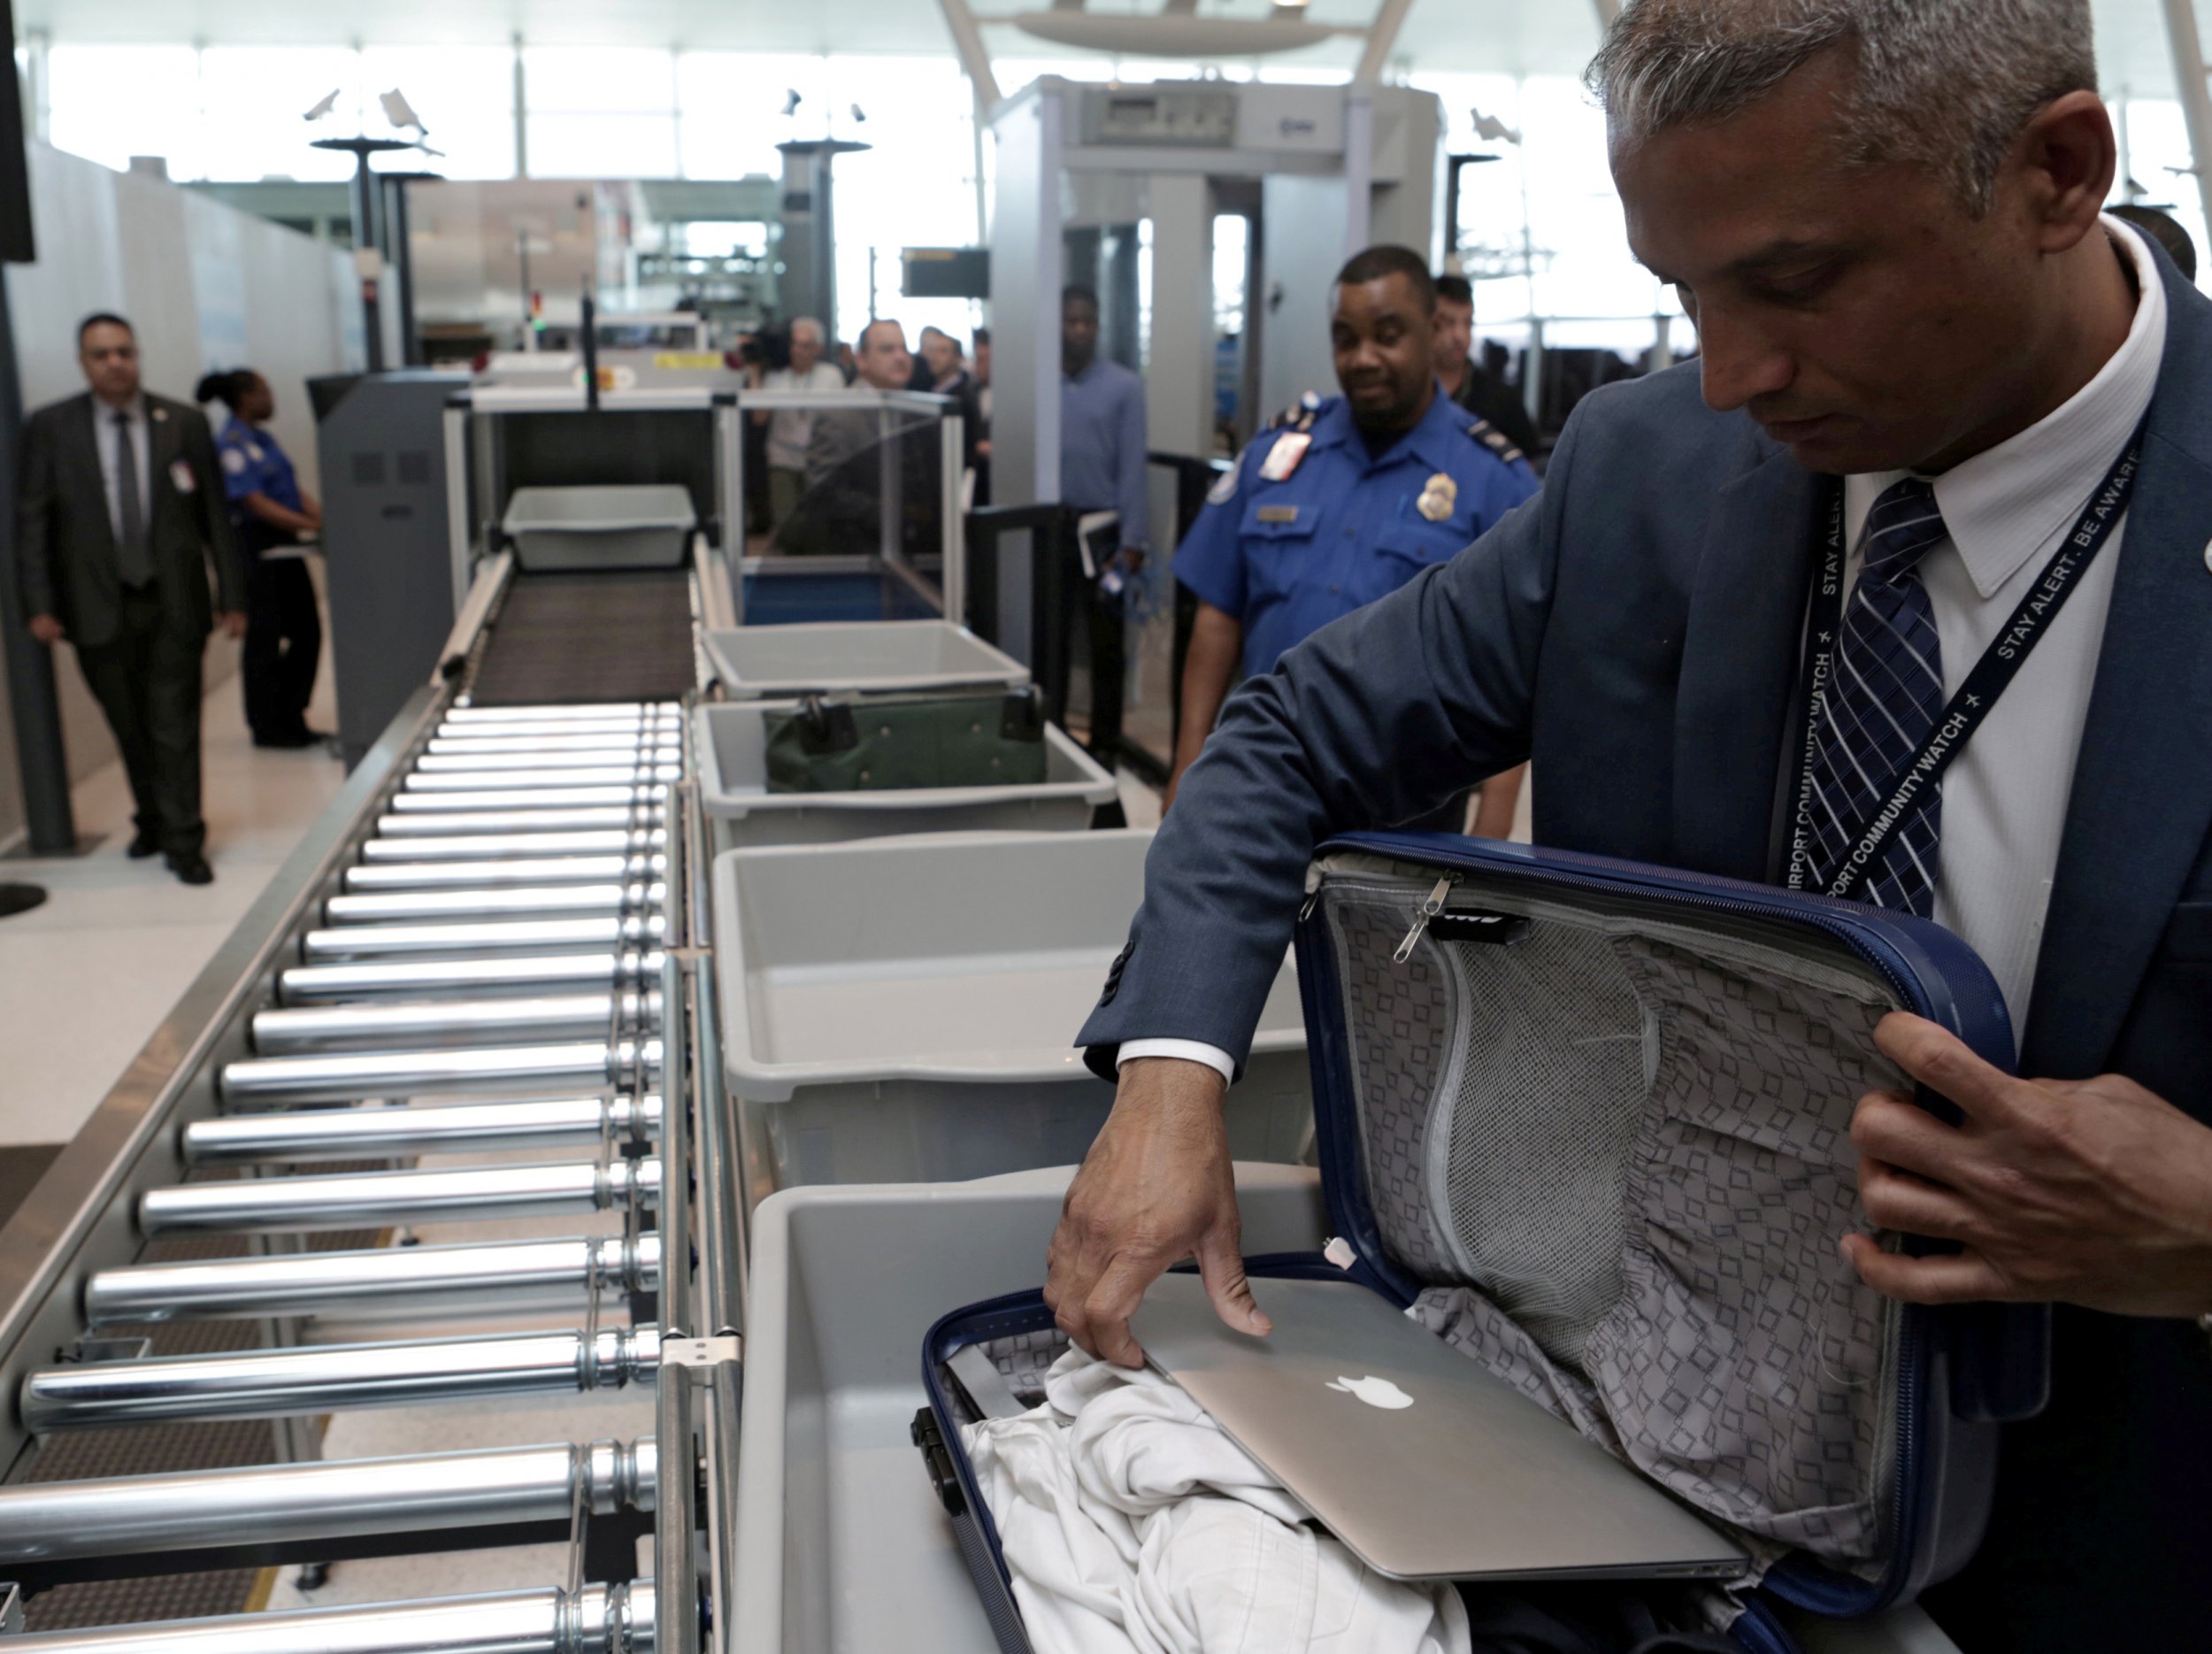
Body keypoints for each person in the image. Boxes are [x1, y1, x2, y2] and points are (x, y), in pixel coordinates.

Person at [1045, 4, 2212, 1649]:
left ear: (2055, 172)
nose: (1733, 372)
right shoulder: (1651, 472)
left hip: (2119, 1541)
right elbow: (1290, 735)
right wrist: (1175, 1072)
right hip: (1651, 1489)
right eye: (1684, 293)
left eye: (1795, 286)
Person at [1165, 246, 1540, 829]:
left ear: (1432, 329)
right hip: (1261, 787)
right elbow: (1218, 616)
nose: (1363, 358)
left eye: (1388, 335)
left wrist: (1490, 833)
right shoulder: (1276, 457)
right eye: (1346, 338)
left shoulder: (1495, 482)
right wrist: (1187, 766)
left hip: (1410, 810)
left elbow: (1514, 671)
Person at [17, 314, 243, 885]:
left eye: (124, 351)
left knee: (174, 723)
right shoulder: (52, 427)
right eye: (101, 354)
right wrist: (38, 604)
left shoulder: (182, 423)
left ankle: (185, 839)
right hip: (95, 605)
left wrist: (231, 594)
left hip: (173, 601)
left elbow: (215, 515)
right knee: (129, 724)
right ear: (83, 362)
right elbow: (32, 522)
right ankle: (152, 818)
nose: (115, 363)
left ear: (136, 355)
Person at [197, 368, 325, 750]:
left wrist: (323, 521)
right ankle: (268, 725)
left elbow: (290, 490)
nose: (272, 399)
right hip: (255, 548)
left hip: (285, 541)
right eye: (265, 392)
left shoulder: (263, 440)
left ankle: (292, 713)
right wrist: (308, 524)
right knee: (264, 639)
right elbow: (255, 502)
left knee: (307, 632)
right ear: (245, 397)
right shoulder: (231, 444)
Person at [1058, 285, 1149, 762]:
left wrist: (1133, 540)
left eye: (1087, 322)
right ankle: (1051, 734)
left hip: (1104, 535)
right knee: (1050, 638)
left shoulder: (1124, 387)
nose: (1079, 330)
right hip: (1050, 530)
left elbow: (1134, 467)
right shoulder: (1039, 383)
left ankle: (1105, 750)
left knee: (1105, 650)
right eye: (1071, 320)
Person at [1432, 272, 1542, 457]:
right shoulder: (1406, 395)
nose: (1460, 335)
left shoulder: (1502, 400)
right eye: (1448, 323)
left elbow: (1525, 469)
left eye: (1468, 323)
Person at [753, 317, 845, 531]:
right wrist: (755, 373)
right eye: (794, 344)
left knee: (818, 521)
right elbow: (759, 418)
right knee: (786, 522)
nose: (797, 350)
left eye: (805, 345)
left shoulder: (831, 375)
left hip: (820, 458)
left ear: (818, 349)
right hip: (782, 457)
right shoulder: (776, 378)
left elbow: (841, 418)